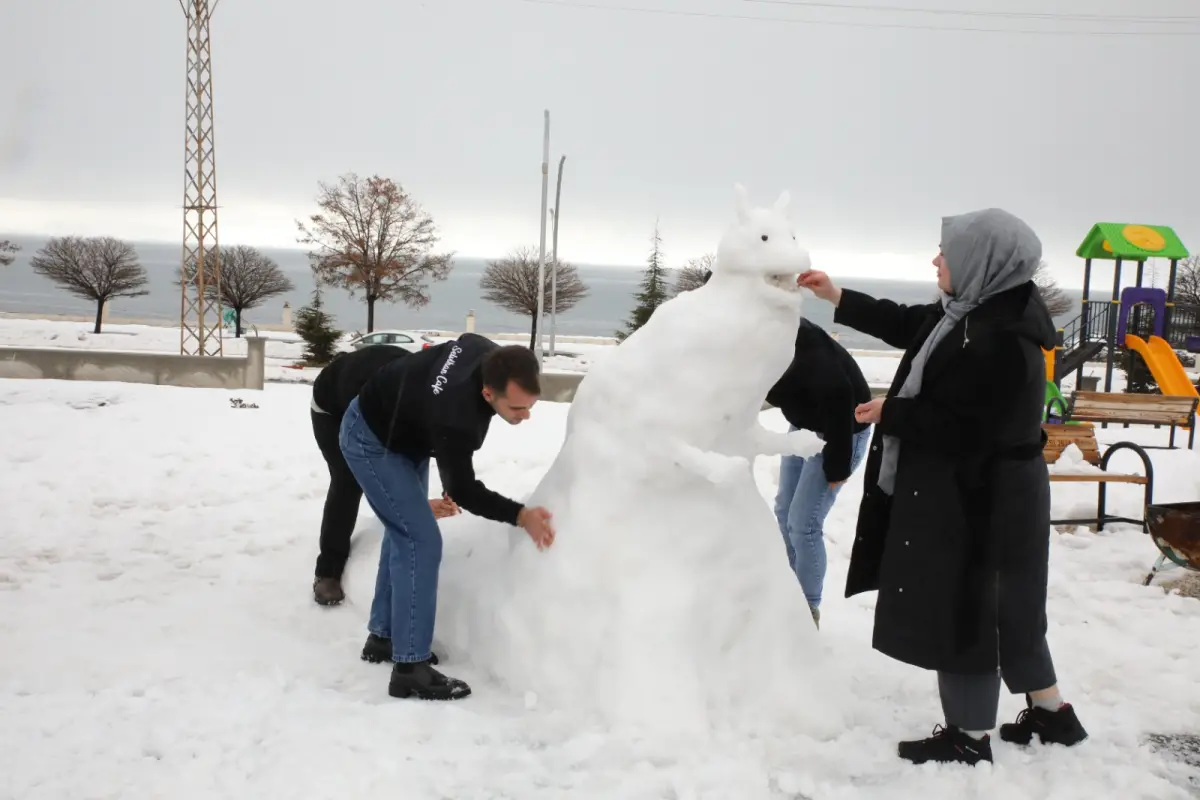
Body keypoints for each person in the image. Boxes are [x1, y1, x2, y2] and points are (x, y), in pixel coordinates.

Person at [798, 208, 1088, 766]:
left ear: (981, 262)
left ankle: (968, 736)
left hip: (985, 498)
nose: (936, 260)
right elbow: (910, 323)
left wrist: (894, 412)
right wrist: (837, 296)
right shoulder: (974, 312)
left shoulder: (1002, 339)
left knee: (970, 607)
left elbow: (970, 430)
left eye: (945, 252)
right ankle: (1053, 715)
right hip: (990, 492)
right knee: (1011, 608)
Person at [341, 333, 556, 701]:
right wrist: (521, 515)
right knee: (420, 540)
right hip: (372, 441)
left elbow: (462, 345)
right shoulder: (456, 415)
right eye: (518, 409)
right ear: (488, 394)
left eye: (530, 405)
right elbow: (464, 491)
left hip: (408, 432)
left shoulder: (487, 354)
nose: (526, 415)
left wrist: (449, 461)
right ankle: (410, 668)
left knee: (404, 531)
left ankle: (384, 637)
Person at [309, 344, 459, 607]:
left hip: (375, 394)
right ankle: (328, 571)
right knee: (348, 480)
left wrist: (452, 485)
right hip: (332, 406)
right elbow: (378, 466)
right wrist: (412, 506)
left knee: (408, 458)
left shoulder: (438, 397)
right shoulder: (391, 401)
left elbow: (442, 443)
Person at [765, 318, 873, 628]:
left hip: (842, 432)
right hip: (805, 425)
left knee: (804, 524)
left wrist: (837, 466)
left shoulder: (803, 348)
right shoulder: (755, 336)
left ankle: (806, 611)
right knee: (785, 510)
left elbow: (839, 397)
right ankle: (789, 594)